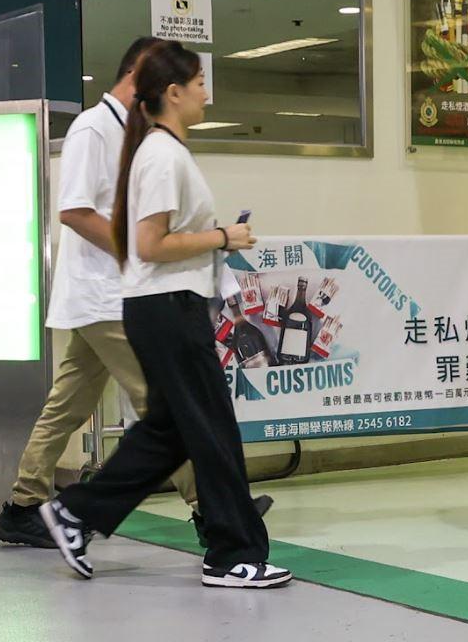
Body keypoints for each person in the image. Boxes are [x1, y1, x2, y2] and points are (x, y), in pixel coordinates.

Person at [33, 44, 288, 589]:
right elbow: (148, 244)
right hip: (166, 308)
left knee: (169, 432)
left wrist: (212, 241)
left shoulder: (159, 151)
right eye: (198, 82)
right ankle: (231, 554)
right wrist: (223, 236)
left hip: (166, 305)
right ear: (172, 93)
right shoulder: (161, 155)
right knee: (211, 430)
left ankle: (77, 511)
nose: (206, 92)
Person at [0, 37, 235, 549]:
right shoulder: (91, 128)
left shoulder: (139, 133)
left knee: (69, 402)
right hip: (102, 293)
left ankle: (22, 504)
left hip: (115, 293)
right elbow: (75, 210)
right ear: (144, 73)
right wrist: (137, 251)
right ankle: (210, 508)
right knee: (170, 405)